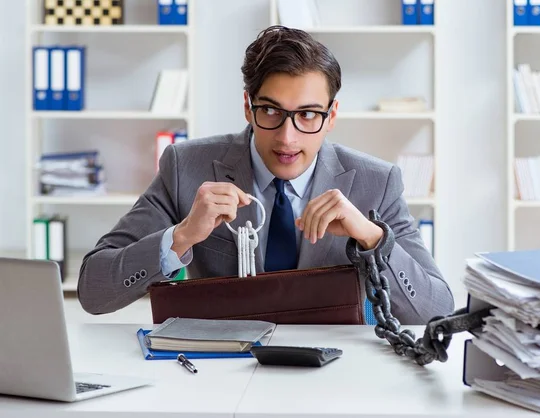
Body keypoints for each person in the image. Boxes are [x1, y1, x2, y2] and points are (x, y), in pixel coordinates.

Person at [78, 25, 454, 324]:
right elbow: (94, 291)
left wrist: (372, 238)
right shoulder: (185, 166)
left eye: (308, 114)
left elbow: (435, 311)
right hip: (218, 370)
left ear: (331, 116)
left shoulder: (377, 182)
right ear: (248, 106)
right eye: (271, 111)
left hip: (335, 375)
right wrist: (180, 237)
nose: (287, 138)